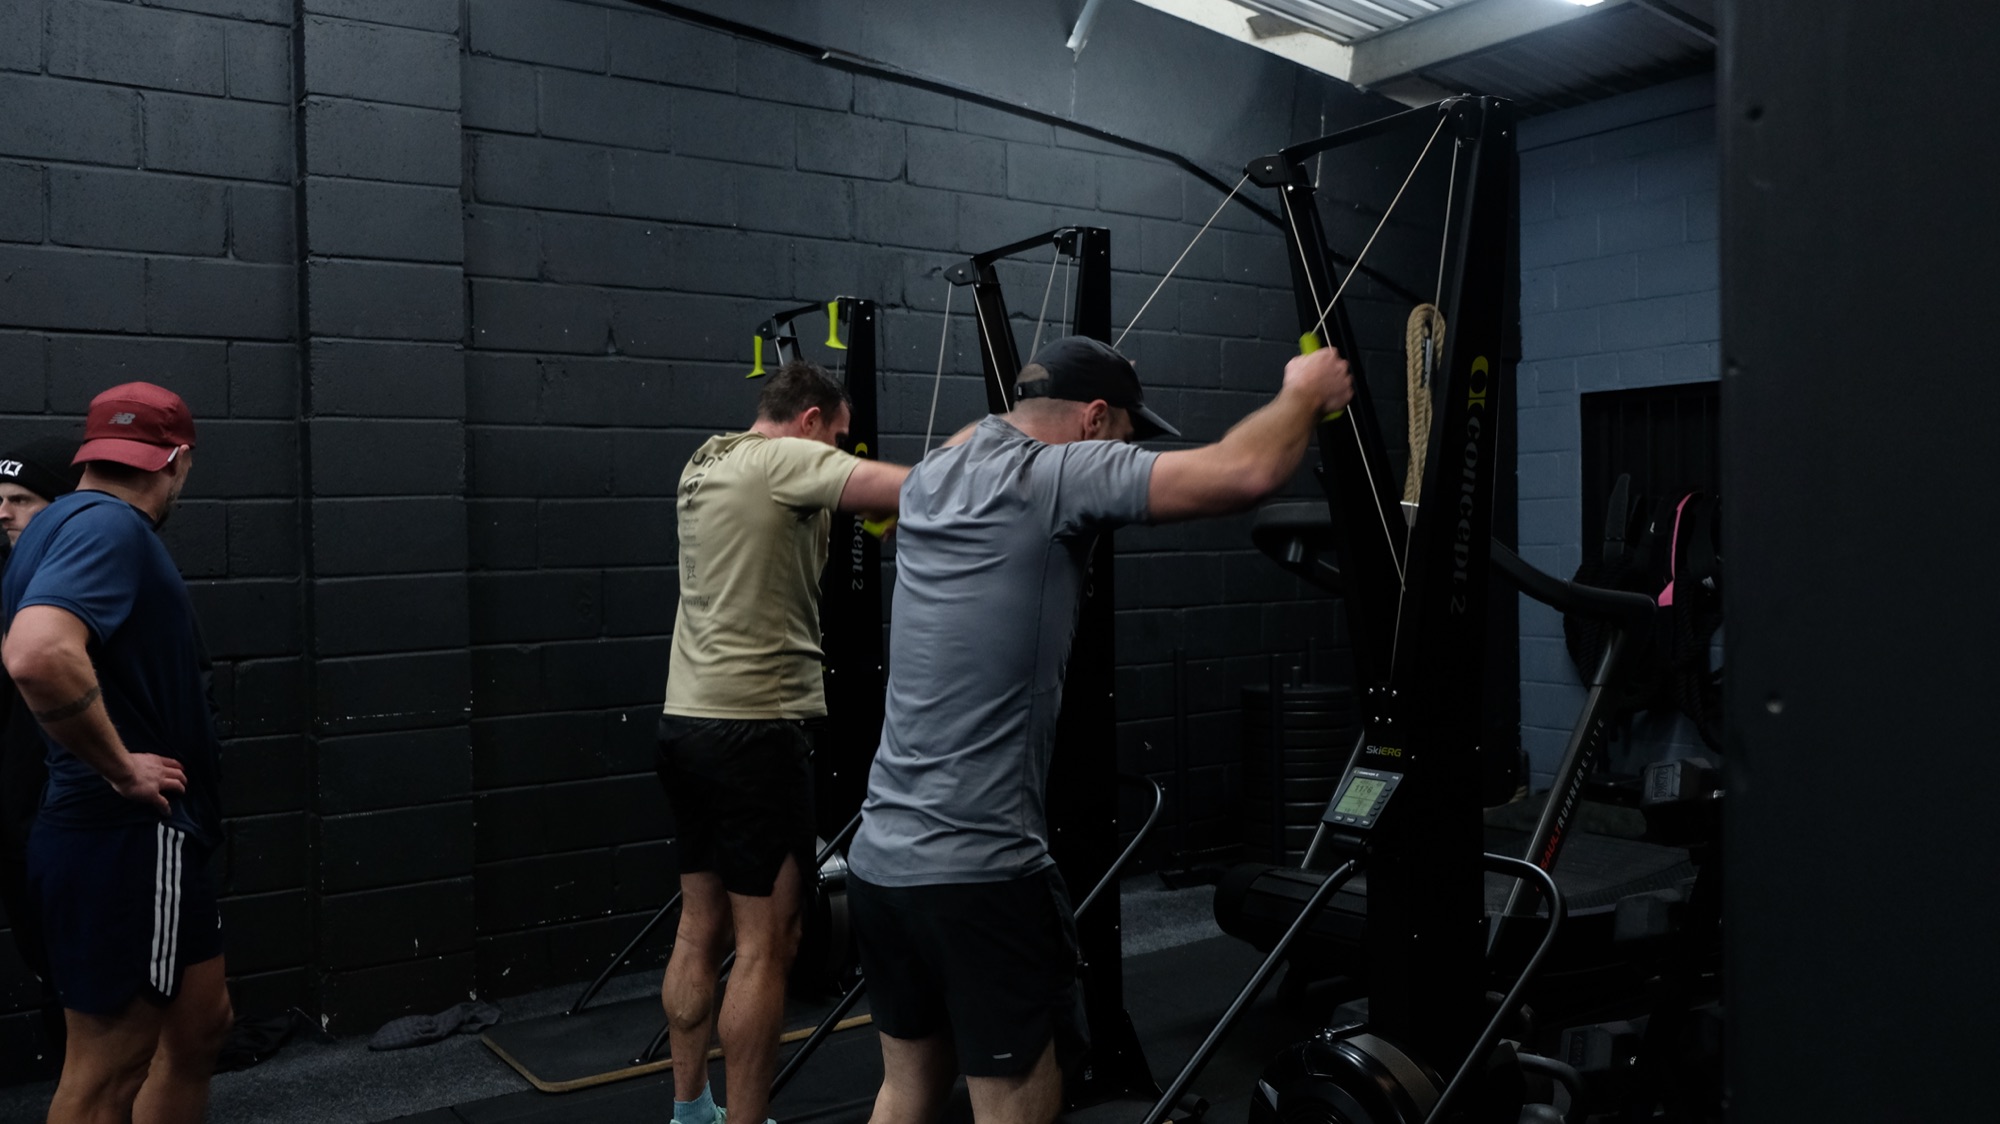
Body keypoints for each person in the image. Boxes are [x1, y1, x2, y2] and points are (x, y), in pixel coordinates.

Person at [844, 336, 1354, 1124]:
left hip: (880, 861)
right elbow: (1244, 473)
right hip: (980, 874)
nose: (1122, 448)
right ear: (1091, 419)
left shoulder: (936, 473)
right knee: (1016, 1100)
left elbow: (980, 429)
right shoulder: (1056, 475)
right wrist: (1304, 390)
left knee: (907, 1089)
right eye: (1121, 431)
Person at [657, 360, 910, 1124]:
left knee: (699, 926)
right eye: (838, 436)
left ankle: (690, 1112)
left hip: (686, 723)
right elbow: (910, 489)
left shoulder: (707, 460)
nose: (840, 450)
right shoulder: (789, 461)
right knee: (768, 944)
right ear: (809, 422)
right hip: (756, 734)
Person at [1, 383, 232, 1124]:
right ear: (179, 459)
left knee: (201, 1026)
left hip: (152, 838)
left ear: (90, 451)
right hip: (126, 837)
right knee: (108, 1071)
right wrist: (120, 766)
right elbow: (38, 654)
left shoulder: (53, 523)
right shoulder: (111, 527)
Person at [0, 436, 83, 1056]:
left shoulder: (84, 575)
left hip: (73, 800)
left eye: (22, 499)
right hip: (16, 804)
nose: (3, 512)